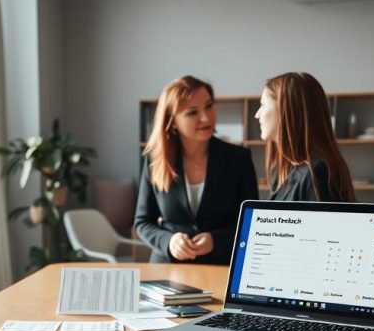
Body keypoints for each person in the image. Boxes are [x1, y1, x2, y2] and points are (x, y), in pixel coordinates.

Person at [134, 75, 259, 264]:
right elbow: (142, 222)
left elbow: (252, 223)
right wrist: (169, 241)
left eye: (209, 106)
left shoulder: (239, 159)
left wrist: (216, 240)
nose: (206, 117)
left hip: (220, 266)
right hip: (167, 267)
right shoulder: (154, 160)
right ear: (173, 121)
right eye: (193, 112)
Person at [255, 72, 356, 202]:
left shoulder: (316, 174)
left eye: (263, 105)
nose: (257, 115)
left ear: (287, 109)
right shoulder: (287, 171)